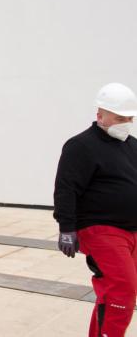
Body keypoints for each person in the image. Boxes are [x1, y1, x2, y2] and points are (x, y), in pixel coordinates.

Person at [54, 82, 137, 337]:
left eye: (130, 117)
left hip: (132, 230)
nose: (126, 122)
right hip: (101, 228)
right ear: (100, 115)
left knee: (115, 291)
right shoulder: (81, 146)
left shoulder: (132, 146)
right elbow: (66, 188)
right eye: (120, 117)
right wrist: (66, 228)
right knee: (122, 289)